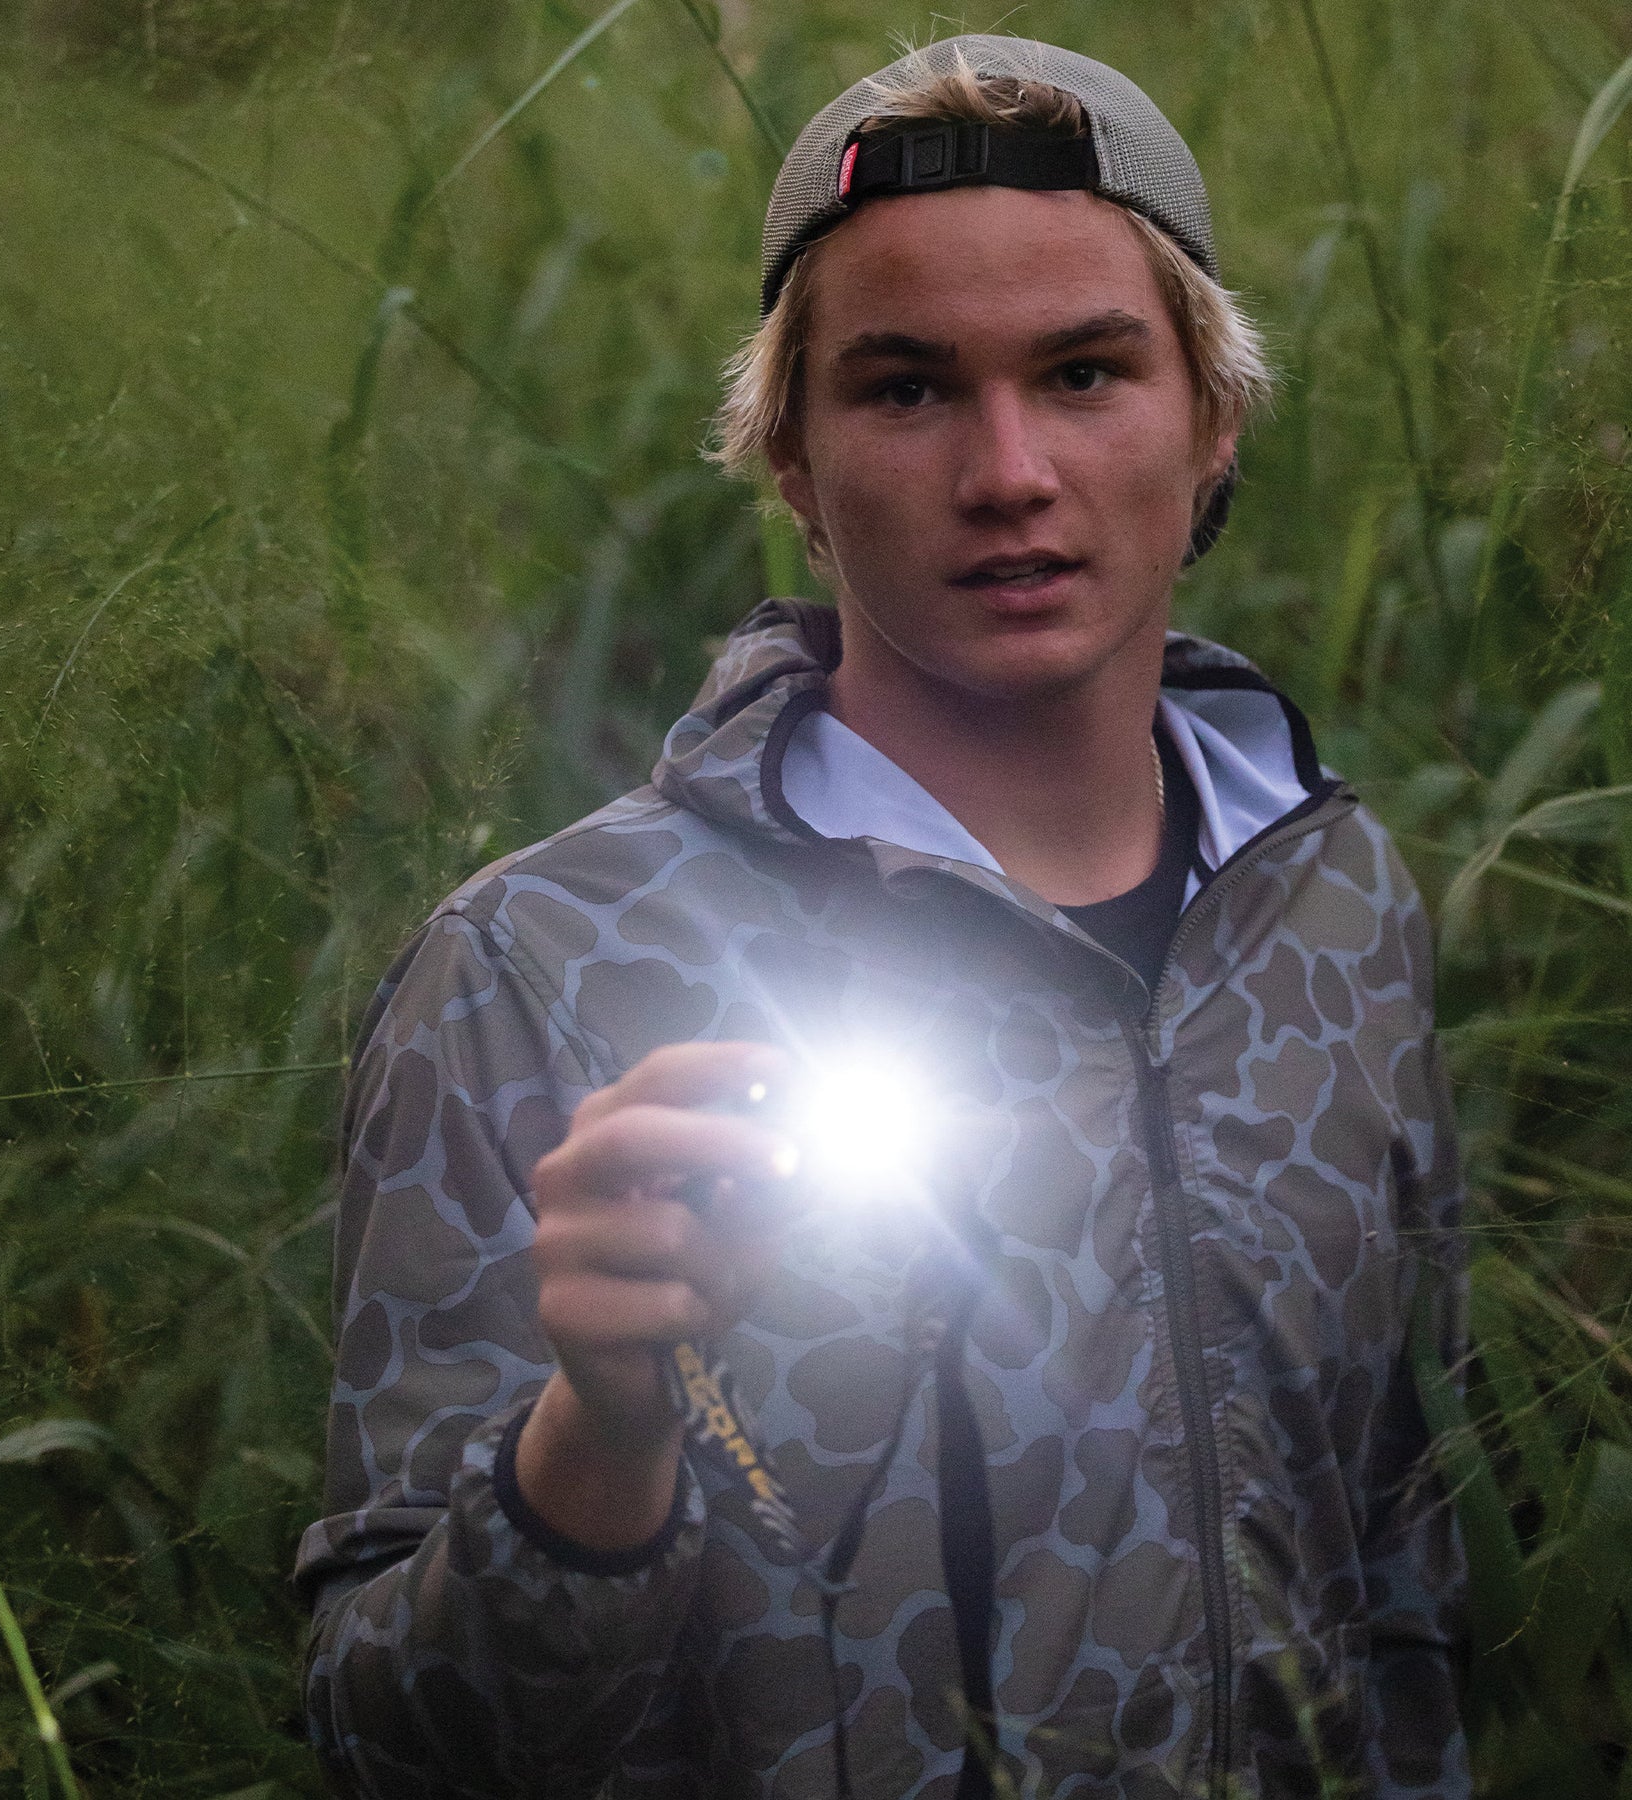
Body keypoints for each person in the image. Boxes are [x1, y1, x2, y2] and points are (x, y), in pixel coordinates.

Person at [295, 33, 1469, 1800]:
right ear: (789, 456)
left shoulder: (1335, 900)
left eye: (1086, 372)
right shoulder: (538, 969)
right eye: (906, 390)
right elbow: (393, 1744)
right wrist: (593, 1437)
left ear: (1213, 416)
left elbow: (1410, 1561)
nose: (1009, 472)